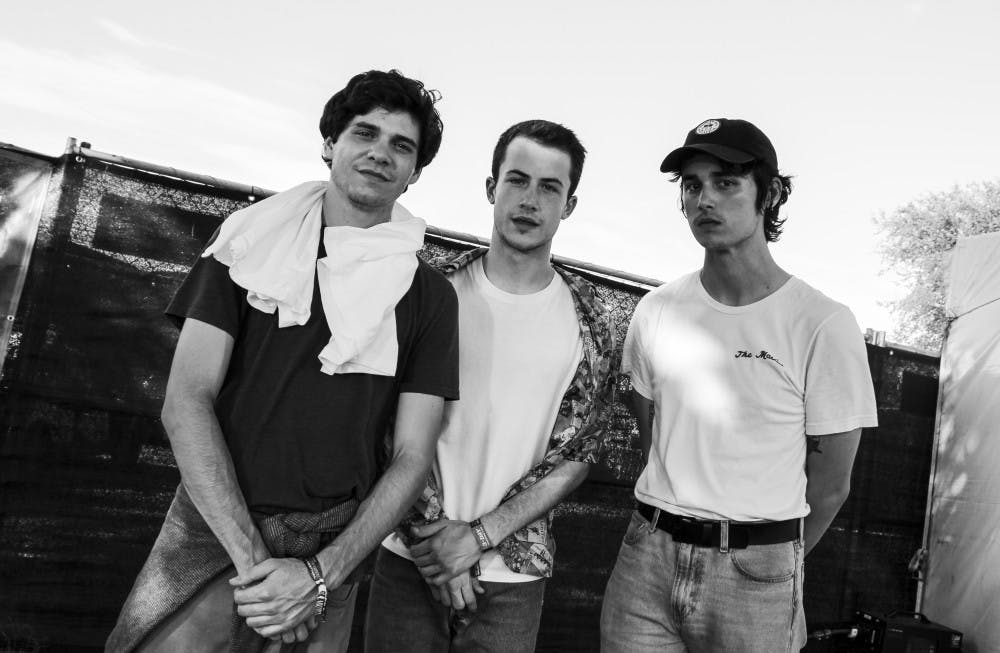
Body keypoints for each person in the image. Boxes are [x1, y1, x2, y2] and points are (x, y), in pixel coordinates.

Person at [106, 69, 459, 652]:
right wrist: (256, 569)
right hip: (213, 531)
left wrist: (319, 578)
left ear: (415, 172)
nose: (380, 153)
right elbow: (185, 402)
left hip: (333, 551)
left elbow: (413, 455)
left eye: (402, 145)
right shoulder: (246, 245)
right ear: (329, 143)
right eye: (363, 133)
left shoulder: (429, 296)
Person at [600, 118, 878, 652]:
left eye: (726, 182)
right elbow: (651, 435)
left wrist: (771, 563)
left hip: (758, 576)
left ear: (768, 194)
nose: (705, 199)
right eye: (693, 184)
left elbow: (831, 483)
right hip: (646, 560)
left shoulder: (820, 322)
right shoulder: (657, 311)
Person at [364, 120, 617, 653]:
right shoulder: (427, 292)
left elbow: (578, 454)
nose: (530, 200)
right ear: (490, 188)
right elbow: (379, 419)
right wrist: (439, 549)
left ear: (569, 204)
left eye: (550, 187)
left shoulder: (592, 325)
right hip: (408, 559)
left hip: (513, 581)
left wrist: (477, 539)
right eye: (517, 180)